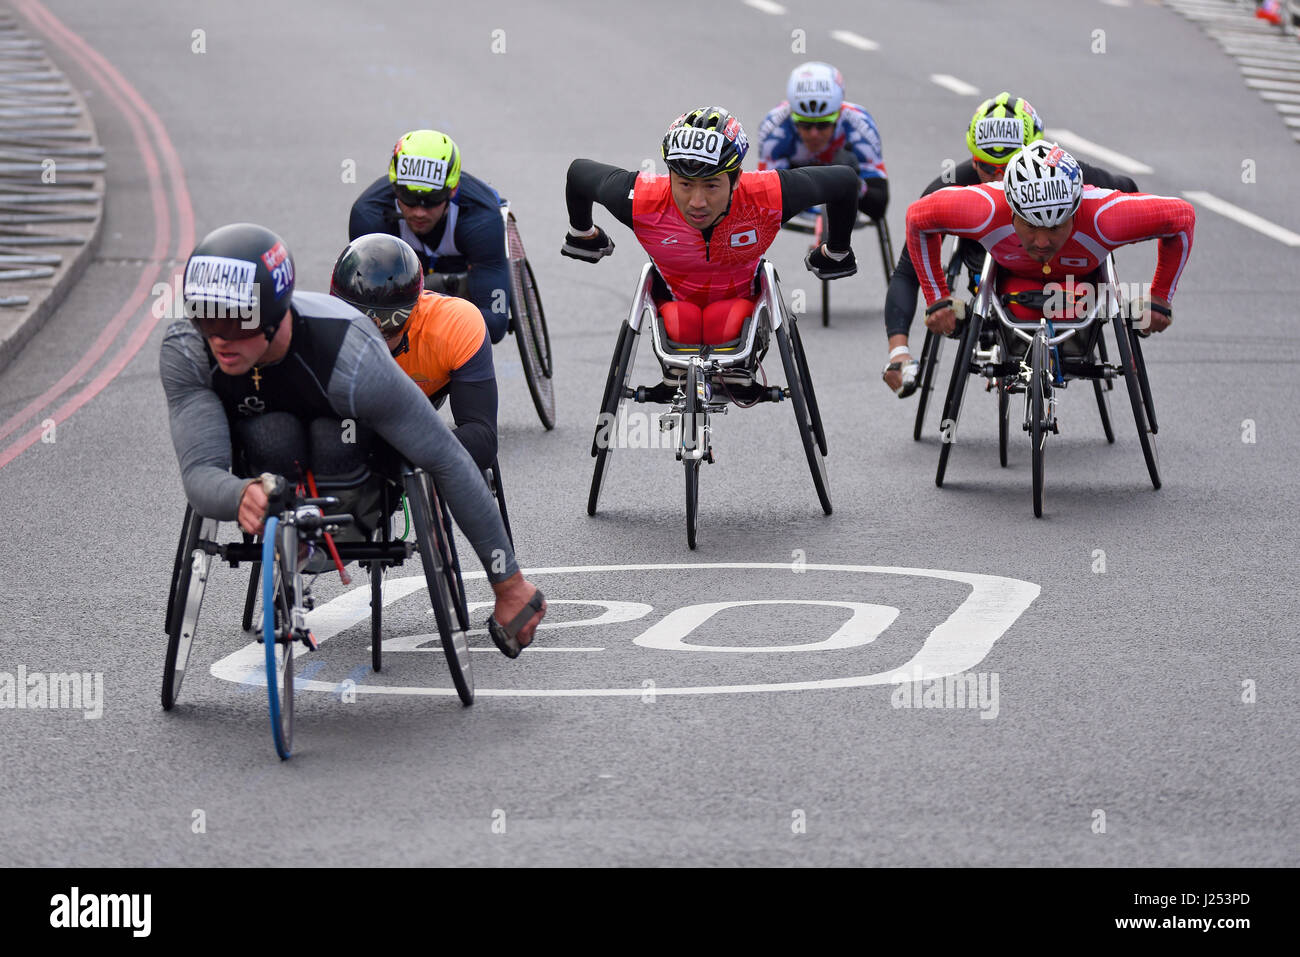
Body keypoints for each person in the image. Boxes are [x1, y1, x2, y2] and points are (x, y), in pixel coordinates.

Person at [160, 222, 544, 656]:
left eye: (239, 322)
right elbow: (199, 471)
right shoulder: (188, 349)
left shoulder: (353, 353)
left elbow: (446, 456)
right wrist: (237, 493)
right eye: (206, 319)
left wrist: (509, 584)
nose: (220, 339)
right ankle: (291, 536)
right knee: (274, 433)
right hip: (261, 458)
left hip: (349, 456)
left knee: (332, 436)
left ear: (275, 312)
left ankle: (320, 538)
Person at [882, 92, 1142, 395]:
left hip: (1061, 269)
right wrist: (898, 352)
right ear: (973, 159)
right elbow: (908, 269)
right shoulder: (953, 185)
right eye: (986, 168)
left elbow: (1128, 193)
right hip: (991, 269)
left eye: (1009, 168)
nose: (997, 179)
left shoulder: (1067, 176)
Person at [562, 105, 859, 354]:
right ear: (670, 176)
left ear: (737, 179)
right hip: (675, 306)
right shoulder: (642, 198)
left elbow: (845, 182)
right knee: (682, 321)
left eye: (712, 185)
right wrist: (582, 232)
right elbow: (578, 174)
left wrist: (837, 248)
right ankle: (680, 373)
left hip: (742, 309)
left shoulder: (767, 194)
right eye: (685, 184)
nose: (697, 202)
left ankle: (734, 368)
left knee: (725, 321)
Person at [905, 141, 1195, 350]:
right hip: (1014, 286)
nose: (1042, 242)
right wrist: (937, 298)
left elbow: (1182, 217)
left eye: (1055, 228)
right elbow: (917, 218)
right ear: (1012, 211)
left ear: (1076, 211)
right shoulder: (985, 208)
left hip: (1078, 290)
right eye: (1030, 227)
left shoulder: (1105, 217)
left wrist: (1160, 298)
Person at [330, 233, 498, 472]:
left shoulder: (456, 323)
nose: (378, 335)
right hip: (360, 407)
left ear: (416, 308)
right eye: (362, 323)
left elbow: (482, 437)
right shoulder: (321, 333)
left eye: (392, 323)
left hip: (427, 388)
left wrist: (421, 455)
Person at [348, 130, 512, 344]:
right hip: (401, 273)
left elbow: (494, 325)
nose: (419, 212)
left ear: (452, 191)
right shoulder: (369, 216)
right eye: (408, 197)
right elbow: (364, 313)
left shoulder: (481, 220)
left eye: (432, 199)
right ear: (395, 189)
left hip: (461, 267)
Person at [757, 61, 888, 222]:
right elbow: (765, 203)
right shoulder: (774, 128)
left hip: (845, 179)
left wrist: (854, 183)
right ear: (792, 116)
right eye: (804, 124)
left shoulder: (860, 126)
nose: (814, 134)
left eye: (823, 124)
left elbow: (879, 205)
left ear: (838, 115)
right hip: (796, 180)